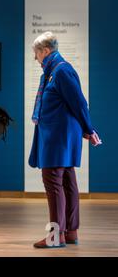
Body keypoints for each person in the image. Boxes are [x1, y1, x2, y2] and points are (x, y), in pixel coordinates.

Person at [29, 32, 102, 248]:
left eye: (36, 53)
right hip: (57, 137)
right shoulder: (53, 71)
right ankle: (70, 232)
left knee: (53, 184)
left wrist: (89, 129)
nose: (35, 58)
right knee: (67, 183)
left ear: (45, 51)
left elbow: (80, 103)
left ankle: (56, 236)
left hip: (58, 139)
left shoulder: (62, 70)